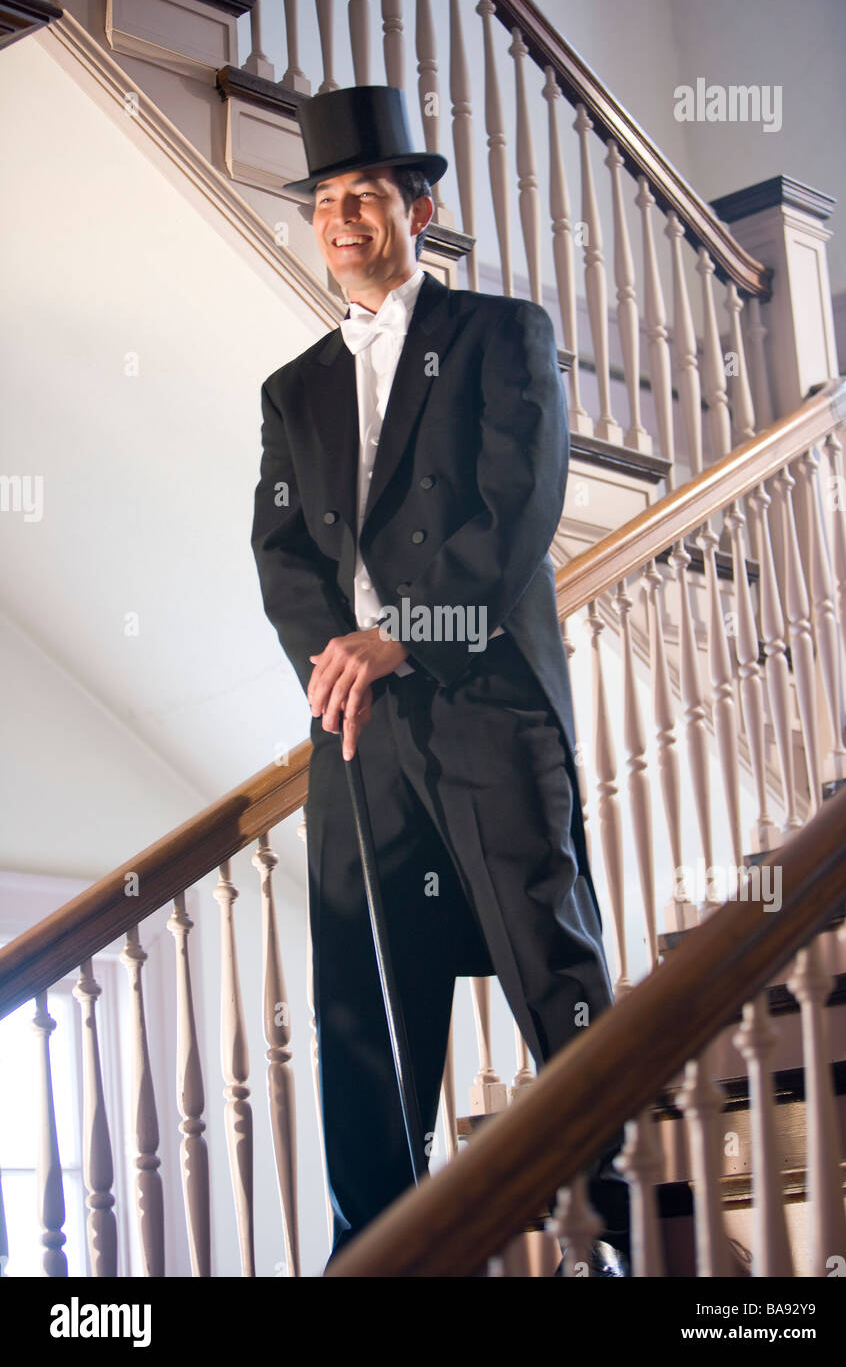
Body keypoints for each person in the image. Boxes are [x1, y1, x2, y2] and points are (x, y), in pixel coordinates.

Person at [251, 85, 629, 1275]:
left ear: (420, 209)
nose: (342, 216)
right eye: (324, 200)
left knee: (547, 965)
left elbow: (516, 510)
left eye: (364, 194)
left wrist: (401, 634)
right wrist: (335, 658)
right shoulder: (292, 388)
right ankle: (373, 1251)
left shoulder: (499, 333)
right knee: (359, 1006)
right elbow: (280, 549)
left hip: (485, 704)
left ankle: (605, 1232)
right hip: (356, 732)